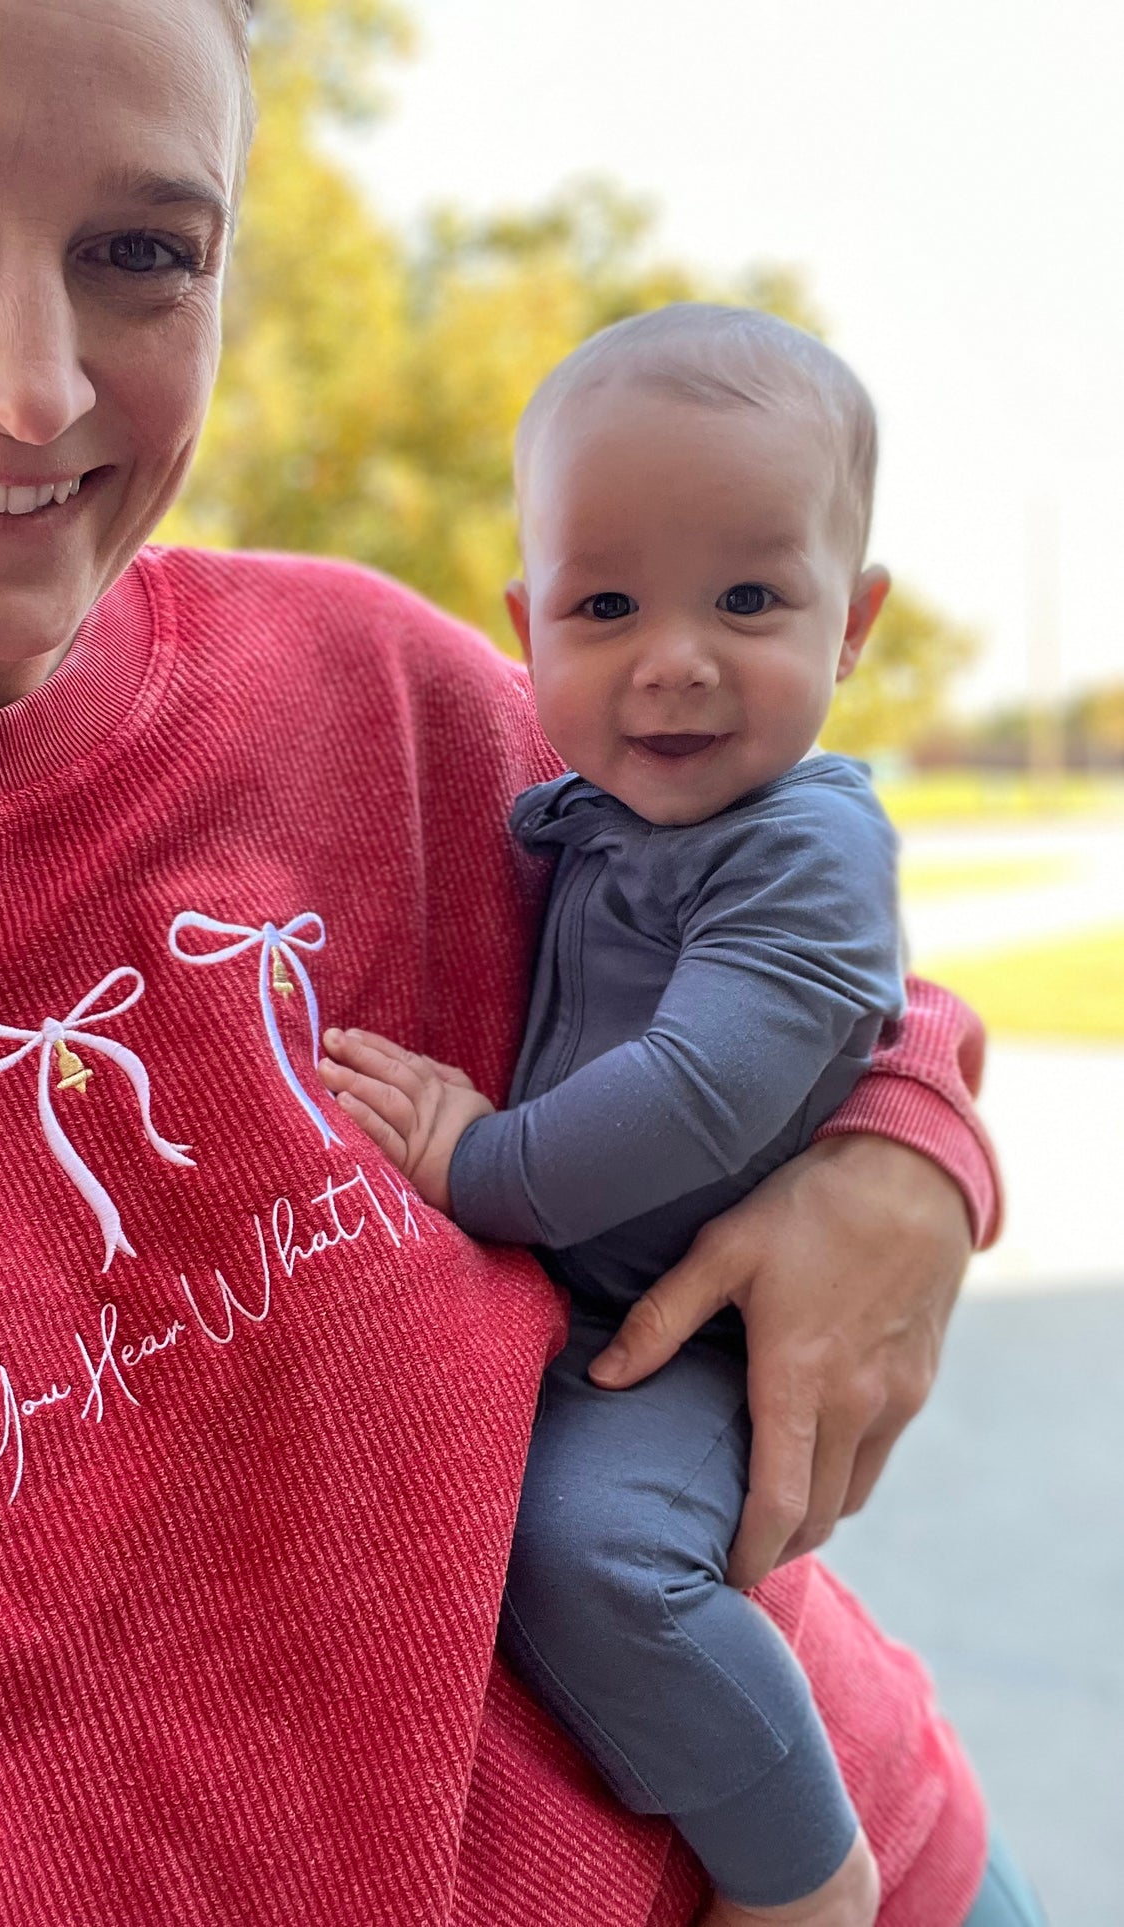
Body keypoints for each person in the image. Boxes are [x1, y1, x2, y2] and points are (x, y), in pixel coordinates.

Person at [0, 0, 1030, 1921]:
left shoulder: (359, 685)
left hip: (854, 1871)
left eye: (146, 249)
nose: (32, 382)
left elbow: (799, 943)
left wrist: (907, 1149)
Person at [323, 305, 917, 1926]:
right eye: (605, 604)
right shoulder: (586, 799)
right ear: (524, 627)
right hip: (588, 1301)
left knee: (587, 1548)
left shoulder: (802, 851)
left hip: (693, 1332)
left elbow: (699, 1088)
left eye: (746, 597)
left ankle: (803, 1866)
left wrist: (475, 1162)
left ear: (850, 623)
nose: (672, 656)